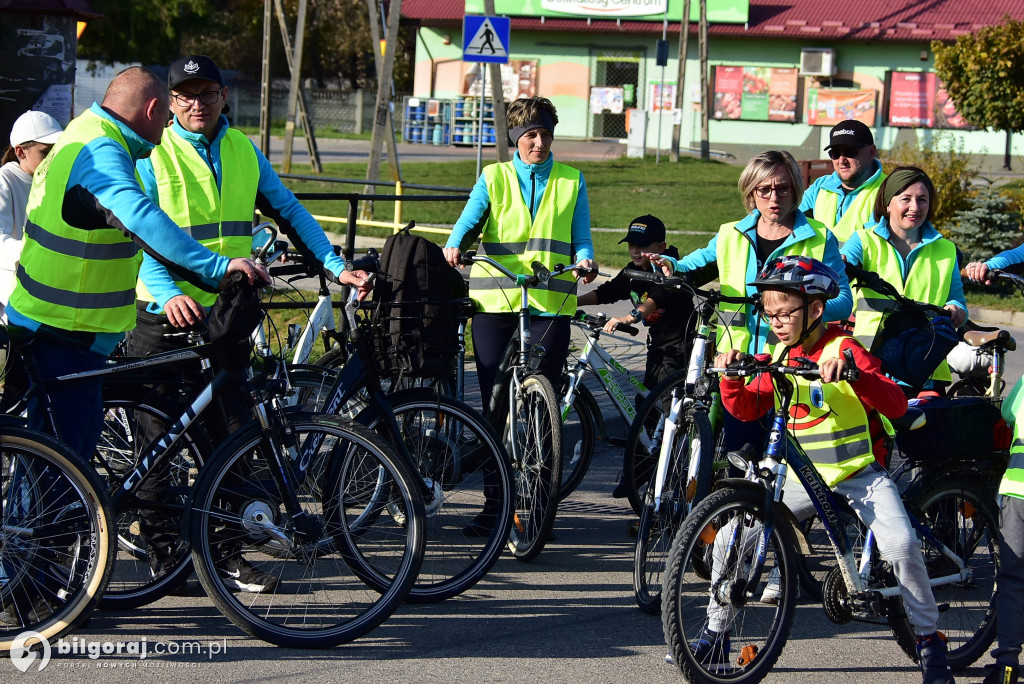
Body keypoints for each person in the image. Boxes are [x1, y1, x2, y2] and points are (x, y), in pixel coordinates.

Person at [129, 55, 369, 594]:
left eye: (207, 92)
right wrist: (168, 294)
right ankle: (166, 560)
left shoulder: (242, 150)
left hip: (227, 315)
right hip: (162, 315)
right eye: (185, 94)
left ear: (222, 96)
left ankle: (227, 556)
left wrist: (334, 264)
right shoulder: (150, 152)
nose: (196, 103)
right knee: (159, 447)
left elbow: (289, 210)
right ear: (169, 101)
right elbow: (135, 233)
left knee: (233, 439)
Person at [703, 255, 954, 684]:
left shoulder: (844, 348)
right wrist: (731, 376)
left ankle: (930, 643)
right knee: (731, 536)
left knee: (901, 546)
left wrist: (855, 375)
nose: (777, 322)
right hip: (805, 478)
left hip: (859, 474)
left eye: (786, 313)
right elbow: (746, 406)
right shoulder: (781, 353)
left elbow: (895, 403)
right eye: (770, 313)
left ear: (815, 309)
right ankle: (715, 636)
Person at [4, 65, 265, 464]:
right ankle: (44, 528)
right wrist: (216, 268)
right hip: (64, 331)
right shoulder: (102, 152)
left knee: (59, 462)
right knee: (60, 475)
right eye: (165, 120)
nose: (165, 135)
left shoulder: (83, 130)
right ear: (153, 109)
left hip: (56, 323)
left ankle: (54, 523)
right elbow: (139, 218)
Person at [650, 149, 852, 450]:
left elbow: (844, 299)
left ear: (795, 190)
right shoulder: (731, 233)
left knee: (784, 467)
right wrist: (672, 264)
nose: (774, 198)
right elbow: (698, 262)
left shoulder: (820, 237)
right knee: (739, 458)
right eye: (765, 189)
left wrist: (801, 312)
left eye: (783, 189)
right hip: (737, 365)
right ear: (751, 191)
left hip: (792, 366)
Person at [443, 96, 597, 410]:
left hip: (549, 298)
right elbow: (470, 219)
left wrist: (585, 258)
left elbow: (581, 234)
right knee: (494, 393)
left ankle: (542, 456)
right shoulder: (493, 176)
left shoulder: (571, 180)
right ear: (516, 137)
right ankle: (494, 456)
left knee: (546, 392)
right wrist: (455, 243)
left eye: (547, 134)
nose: (540, 142)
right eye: (532, 135)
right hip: (496, 296)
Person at [841, 166, 966, 394]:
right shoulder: (862, 241)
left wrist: (956, 309)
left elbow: (958, 300)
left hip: (925, 364)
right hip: (871, 363)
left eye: (922, 199)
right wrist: (839, 263)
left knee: (924, 429)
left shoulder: (946, 250)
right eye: (905, 199)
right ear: (888, 203)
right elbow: (840, 267)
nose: (915, 207)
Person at [577, 214, 694, 390]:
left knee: (665, 398)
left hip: (681, 344)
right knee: (646, 401)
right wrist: (574, 302)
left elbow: (658, 296)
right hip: (657, 343)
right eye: (631, 245)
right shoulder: (632, 270)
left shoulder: (669, 269)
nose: (635, 250)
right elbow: (607, 292)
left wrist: (629, 318)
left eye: (642, 245)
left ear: (661, 247)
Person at [0, 110, 63, 317]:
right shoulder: (5, 180)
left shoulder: (55, 180)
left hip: (49, 298)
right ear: (20, 152)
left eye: (57, 151)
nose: (52, 159)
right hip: (13, 302)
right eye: (45, 153)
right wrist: (40, 249)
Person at [799, 119, 886, 242]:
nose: (841, 160)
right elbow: (792, 222)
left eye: (850, 152)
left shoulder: (886, 192)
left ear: (871, 152)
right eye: (835, 153)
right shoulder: (819, 187)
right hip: (814, 261)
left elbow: (874, 244)